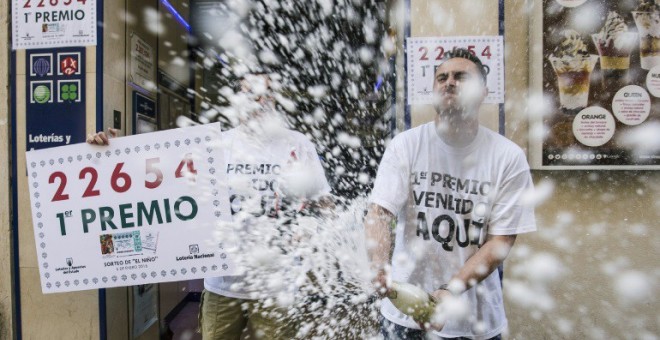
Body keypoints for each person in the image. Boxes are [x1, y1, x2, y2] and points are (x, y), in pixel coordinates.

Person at [89, 73, 332, 339]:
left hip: (277, 287)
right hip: (222, 286)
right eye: (250, 94)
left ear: (274, 100)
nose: (258, 101)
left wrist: (312, 232)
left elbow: (324, 205)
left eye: (266, 94)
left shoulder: (296, 144)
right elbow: (155, 184)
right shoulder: (214, 144)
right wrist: (110, 154)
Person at [364, 48, 537, 339]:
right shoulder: (405, 145)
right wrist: (379, 265)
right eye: (442, 77)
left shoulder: (507, 157)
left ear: (482, 92)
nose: (449, 82)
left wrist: (450, 289)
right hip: (405, 313)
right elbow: (380, 213)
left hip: (474, 320)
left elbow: (500, 242)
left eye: (460, 77)